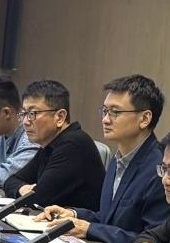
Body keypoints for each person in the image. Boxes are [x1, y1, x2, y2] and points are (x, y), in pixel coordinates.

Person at [35, 74, 170, 243]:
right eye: (105, 111)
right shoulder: (117, 159)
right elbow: (108, 219)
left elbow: (154, 242)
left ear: (144, 119)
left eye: (115, 112)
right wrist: (74, 214)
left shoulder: (160, 170)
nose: (105, 119)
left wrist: (89, 229)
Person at [6, 79, 103, 210]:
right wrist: (22, 188)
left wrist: (26, 192)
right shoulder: (50, 144)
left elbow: (37, 200)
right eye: (24, 114)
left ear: (60, 117)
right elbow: (11, 181)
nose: (25, 122)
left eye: (32, 113)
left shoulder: (73, 145)